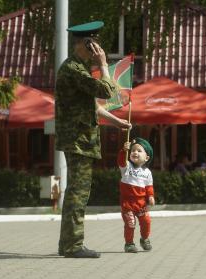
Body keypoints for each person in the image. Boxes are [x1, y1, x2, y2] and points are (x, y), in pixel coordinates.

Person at [56, 21, 131, 258]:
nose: (97, 50)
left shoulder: (77, 68)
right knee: (78, 193)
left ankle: (67, 244)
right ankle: (73, 246)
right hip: (78, 140)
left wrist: (117, 122)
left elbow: (93, 106)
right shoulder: (74, 70)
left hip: (81, 139)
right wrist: (104, 66)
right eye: (94, 45)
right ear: (84, 45)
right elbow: (107, 91)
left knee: (77, 192)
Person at [117, 138, 155, 253]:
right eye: (133, 150)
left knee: (146, 221)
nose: (135, 152)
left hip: (141, 204)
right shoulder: (126, 167)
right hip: (128, 204)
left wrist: (151, 196)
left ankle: (144, 239)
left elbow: (149, 187)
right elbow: (121, 161)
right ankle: (129, 243)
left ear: (147, 158)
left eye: (139, 151)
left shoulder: (147, 172)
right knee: (130, 223)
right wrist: (124, 150)